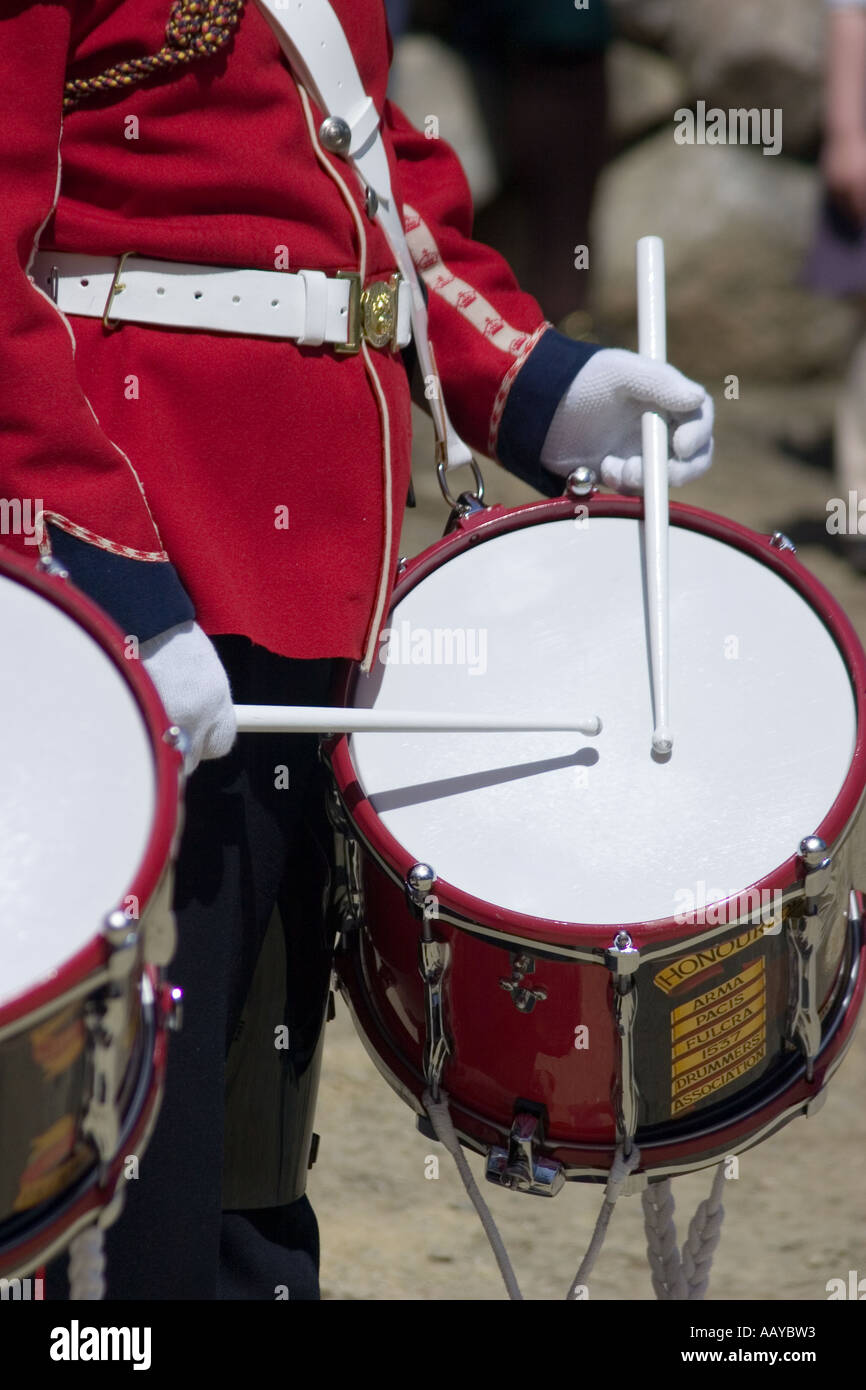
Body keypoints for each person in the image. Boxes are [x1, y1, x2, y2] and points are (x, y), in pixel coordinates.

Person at [0, 0, 712, 1299]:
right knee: (126, 1172)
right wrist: (95, 567)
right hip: (145, 556)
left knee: (252, 1148)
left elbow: (367, 165)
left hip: (312, 590)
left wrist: (533, 379)